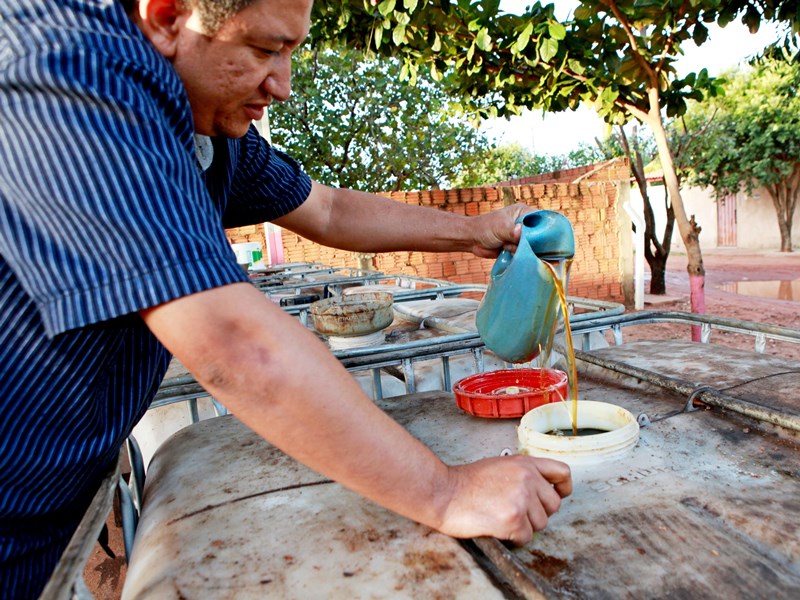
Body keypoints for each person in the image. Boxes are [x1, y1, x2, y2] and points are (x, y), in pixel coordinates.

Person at [0, 0, 572, 596]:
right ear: (168, 17)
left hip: (54, 506)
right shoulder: (67, 77)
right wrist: (446, 493)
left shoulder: (204, 119)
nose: (284, 85)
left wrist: (471, 229)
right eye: (265, 50)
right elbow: (233, 341)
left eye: (291, 51)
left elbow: (326, 209)